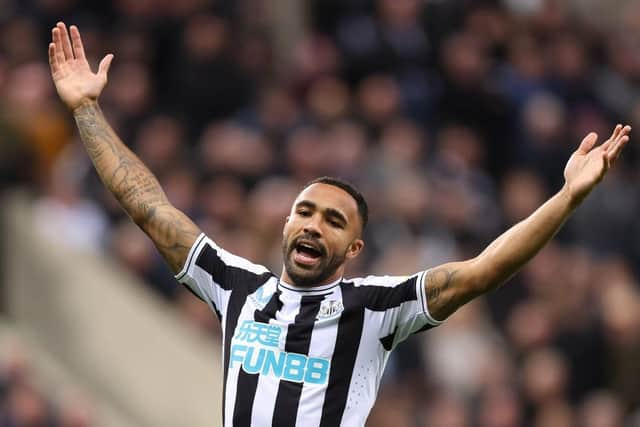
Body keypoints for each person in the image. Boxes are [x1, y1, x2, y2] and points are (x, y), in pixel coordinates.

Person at [47, 22, 631, 427]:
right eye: (304, 211)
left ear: (353, 247)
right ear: (285, 222)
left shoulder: (373, 308)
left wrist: (567, 197)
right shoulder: (237, 287)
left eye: (332, 220)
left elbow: (483, 272)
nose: (313, 225)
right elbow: (148, 206)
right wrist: (86, 110)